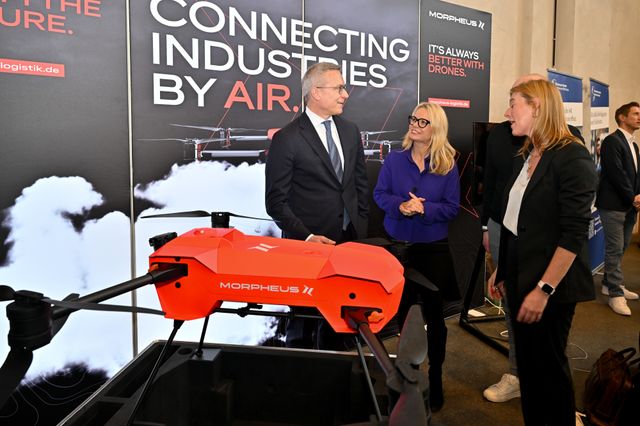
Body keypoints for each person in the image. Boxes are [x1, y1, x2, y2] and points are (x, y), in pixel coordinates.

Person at [491, 79, 597, 425]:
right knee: (530, 369)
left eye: (513, 104)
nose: (507, 112)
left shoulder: (573, 157)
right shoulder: (529, 154)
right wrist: (502, 269)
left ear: (536, 107)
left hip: (550, 287)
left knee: (548, 372)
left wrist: (544, 289)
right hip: (520, 275)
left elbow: (573, 234)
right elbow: (515, 221)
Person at [265, 62, 369, 350]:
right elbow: (275, 201)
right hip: (306, 249)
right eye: (339, 88)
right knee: (303, 324)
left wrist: (359, 226)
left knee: (341, 322)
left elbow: (360, 184)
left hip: (348, 244)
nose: (345, 94)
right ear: (316, 93)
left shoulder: (350, 131)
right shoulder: (287, 138)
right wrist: (307, 237)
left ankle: (335, 370)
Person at [373, 102, 460, 412]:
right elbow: (380, 195)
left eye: (423, 122)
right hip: (398, 247)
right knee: (404, 316)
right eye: (413, 119)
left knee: (435, 319)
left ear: (435, 128)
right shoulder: (394, 160)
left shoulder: (447, 165)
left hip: (433, 248)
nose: (414, 125)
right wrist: (401, 206)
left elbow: (452, 208)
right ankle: (405, 375)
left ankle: (435, 378)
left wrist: (425, 208)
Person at [595, 101, 640, 316]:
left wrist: (637, 197)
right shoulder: (612, 141)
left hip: (630, 205)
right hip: (613, 204)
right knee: (614, 248)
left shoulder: (634, 144)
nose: (639, 117)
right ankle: (615, 294)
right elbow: (616, 174)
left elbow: (636, 175)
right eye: (635, 114)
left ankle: (609, 283)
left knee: (622, 247)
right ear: (622, 117)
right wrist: (632, 197)